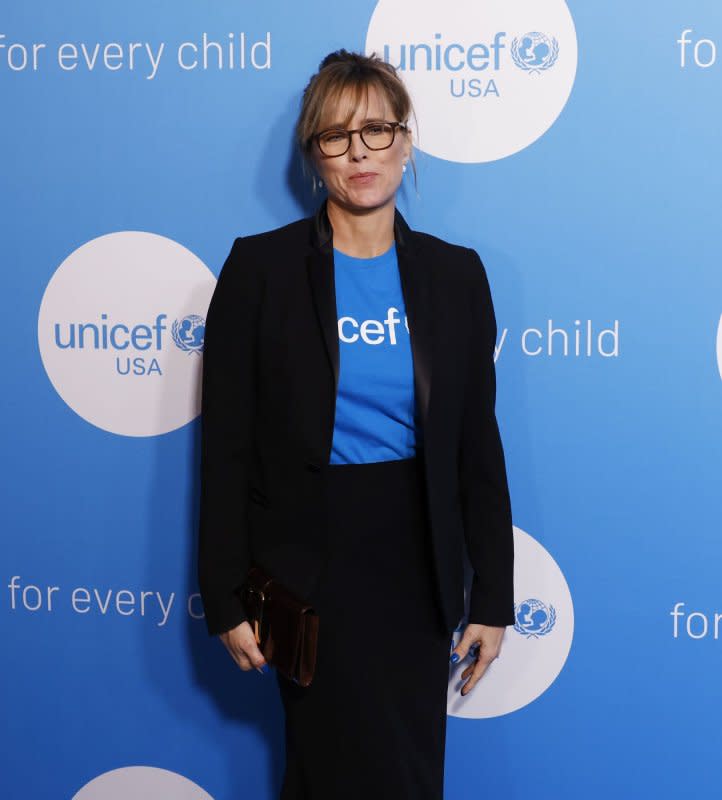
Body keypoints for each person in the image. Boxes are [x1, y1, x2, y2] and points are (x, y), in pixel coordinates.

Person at [197, 49, 515, 800]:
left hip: (418, 562)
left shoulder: (455, 275)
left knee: (409, 769)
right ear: (315, 156)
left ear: (407, 142)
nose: (360, 152)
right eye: (337, 136)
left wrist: (494, 596)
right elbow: (226, 447)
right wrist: (222, 591)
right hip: (308, 566)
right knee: (328, 768)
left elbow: (477, 444)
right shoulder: (260, 271)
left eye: (377, 130)